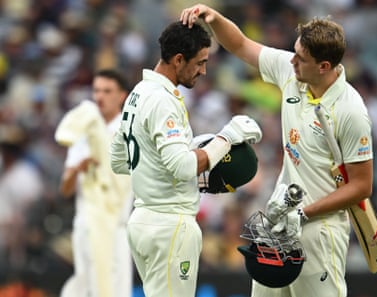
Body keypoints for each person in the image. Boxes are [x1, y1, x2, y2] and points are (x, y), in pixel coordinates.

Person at [181, 4, 373, 297]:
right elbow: (242, 45)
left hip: (320, 230)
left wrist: (304, 214)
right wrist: (214, 18)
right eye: (294, 52)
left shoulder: (351, 110)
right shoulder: (292, 70)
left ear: (324, 66)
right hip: (277, 223)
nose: (292, 60)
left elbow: (362, 185)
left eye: (301, 58)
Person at [109, 21, 262, 297]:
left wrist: (180, 152)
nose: (203, 70)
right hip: (170, 225)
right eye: (200, 62)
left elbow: (119, 160)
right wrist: (227, 137)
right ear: (178, 60)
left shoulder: (138, 93)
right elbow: (183, 167)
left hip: (142, 221)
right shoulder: (163, 100)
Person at [55, 69, 134, 297]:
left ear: (122, 96)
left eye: (107, 91)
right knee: (86, 285)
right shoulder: (84, 131)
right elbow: (66, 189)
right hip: (88, 223)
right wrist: (77, 169)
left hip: (119, 225)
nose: (100, 97)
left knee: (116, 290)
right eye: (96, 91)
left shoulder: (131, 132)